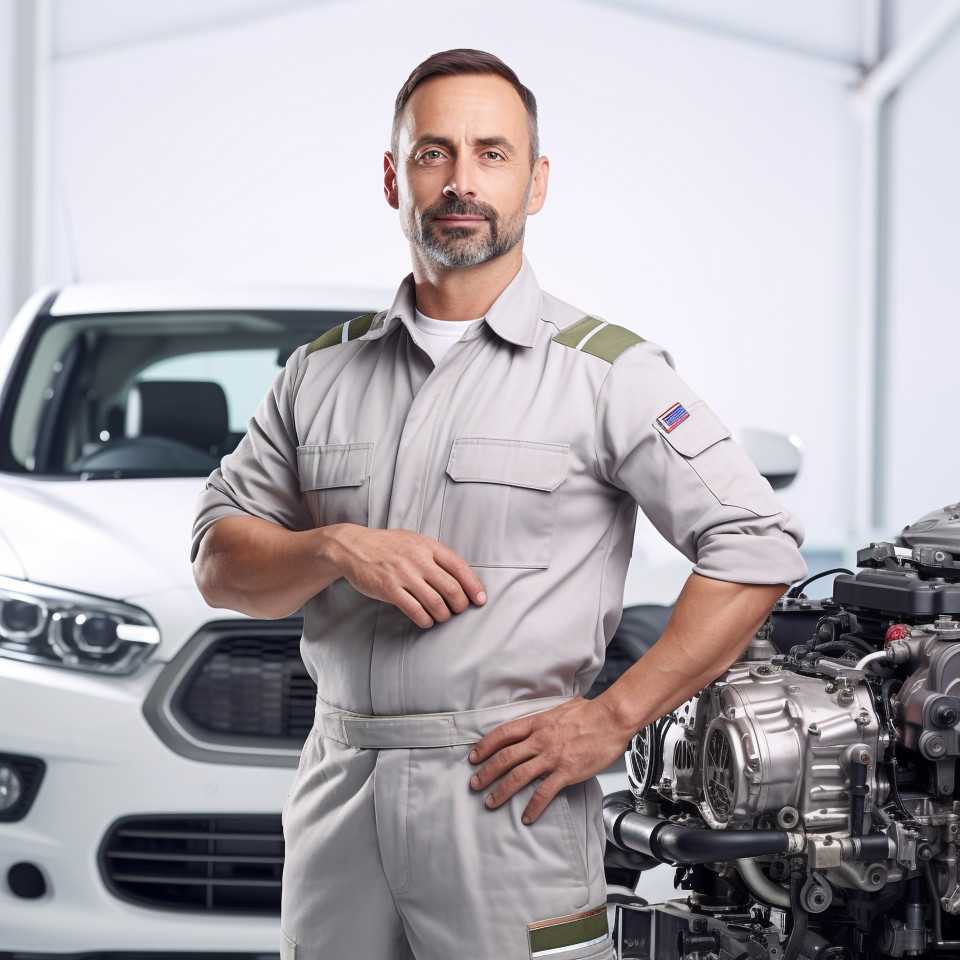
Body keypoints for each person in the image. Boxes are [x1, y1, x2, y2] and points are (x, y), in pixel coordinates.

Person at [191, 48, 806, 960]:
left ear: (537, 180)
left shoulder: (608, 375)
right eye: (435, 154)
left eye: (492, 152)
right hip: (336, 794)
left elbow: (756, 544)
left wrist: (610, 718)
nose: (462, 181)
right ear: (394, 178)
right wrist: (333, 548)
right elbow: (218, 560)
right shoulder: (319, 375)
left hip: (507, 797)